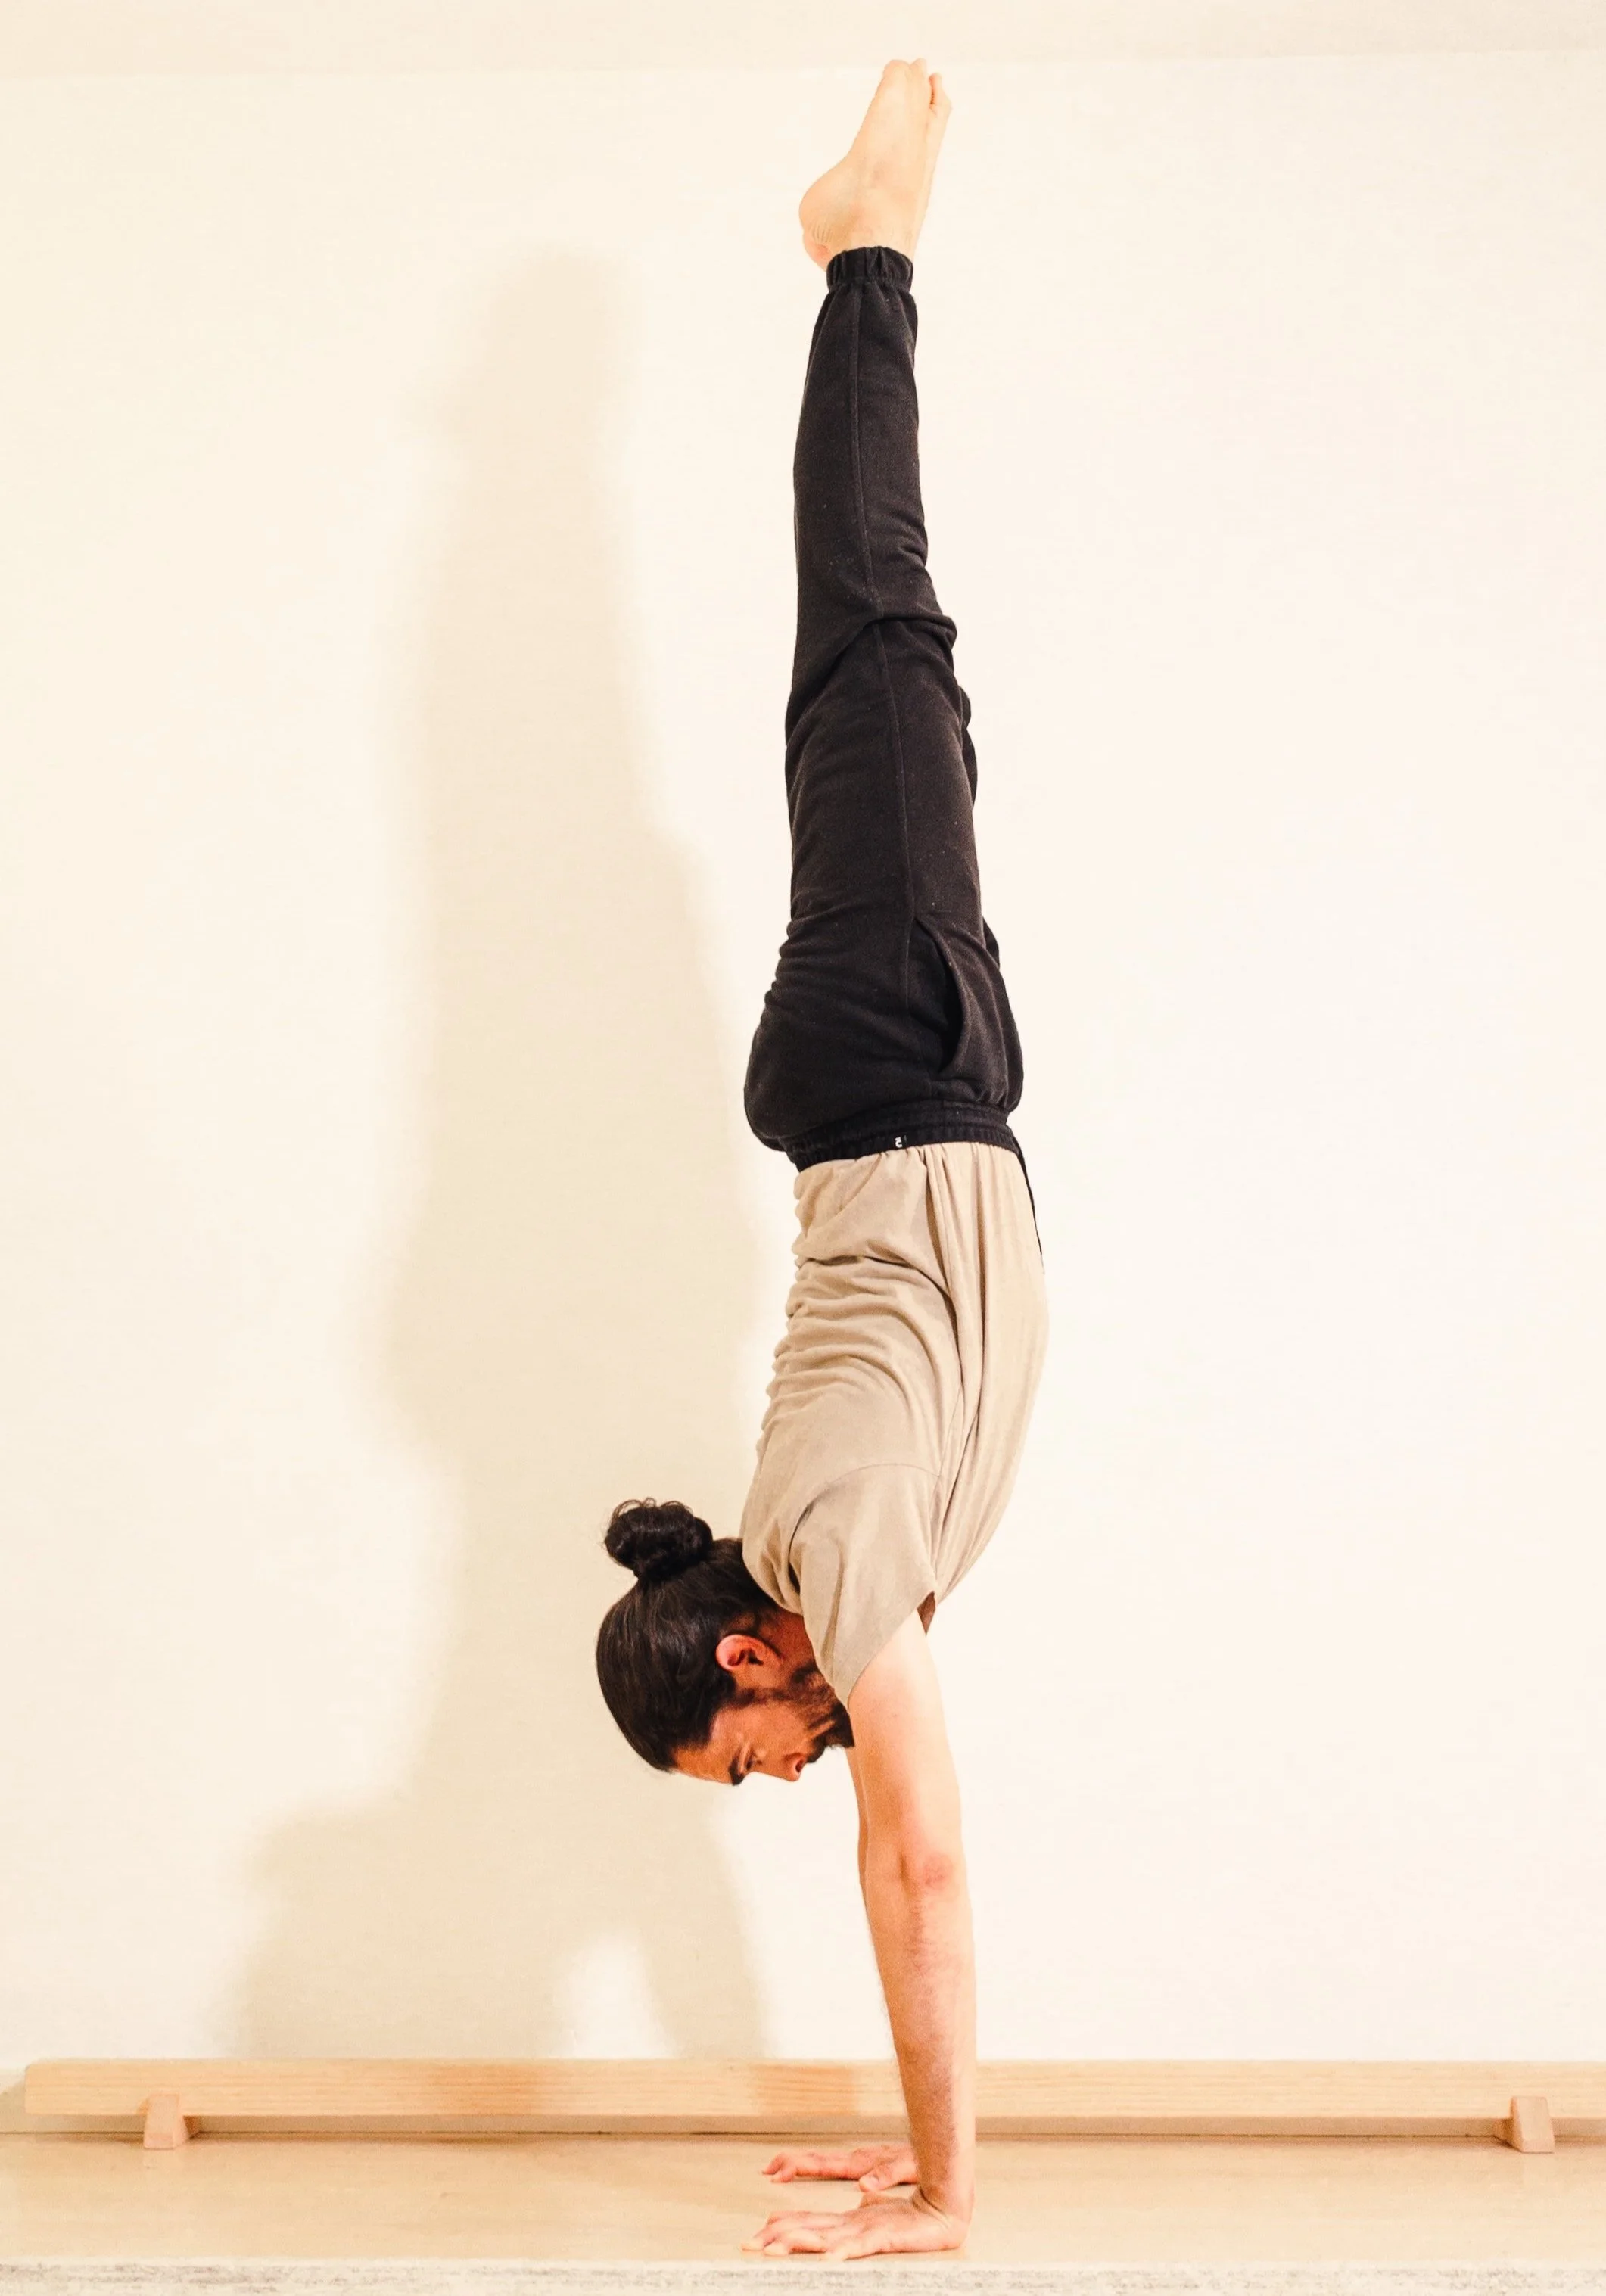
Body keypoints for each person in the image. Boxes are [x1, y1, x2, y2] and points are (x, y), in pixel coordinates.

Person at [594, 61, 1048, 2260]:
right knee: (862, 680)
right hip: (883, 1072)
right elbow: (905, 1844)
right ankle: (861, 260)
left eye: (742, 1766)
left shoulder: (841, 1554)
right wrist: (912, 2137)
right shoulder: (827, 1559)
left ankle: (864, 247)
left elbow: (923, 1860)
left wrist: (944, 2207)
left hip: (890, 1052)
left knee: (878, 634)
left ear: (752, 1665)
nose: (786, 1791)